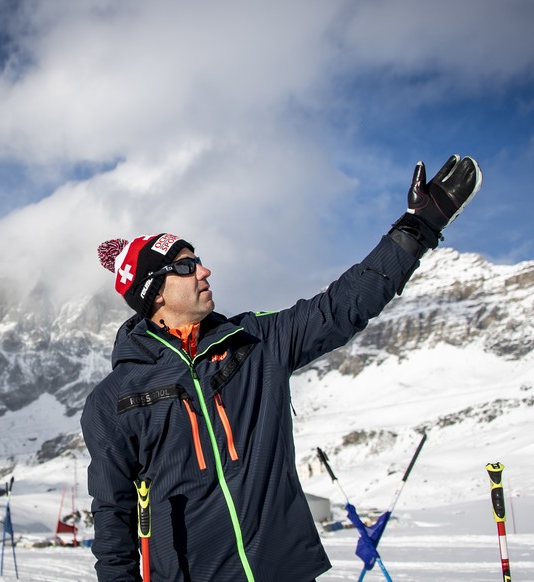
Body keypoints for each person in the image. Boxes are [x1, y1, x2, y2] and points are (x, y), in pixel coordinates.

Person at [81, 154, 483, 582]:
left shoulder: (255, 343)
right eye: (185, 266)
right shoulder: (112, 401)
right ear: (154, 293)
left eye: (197, 260)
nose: (203, 270)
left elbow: (341, 306)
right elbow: (113, 518)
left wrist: (417, 228)